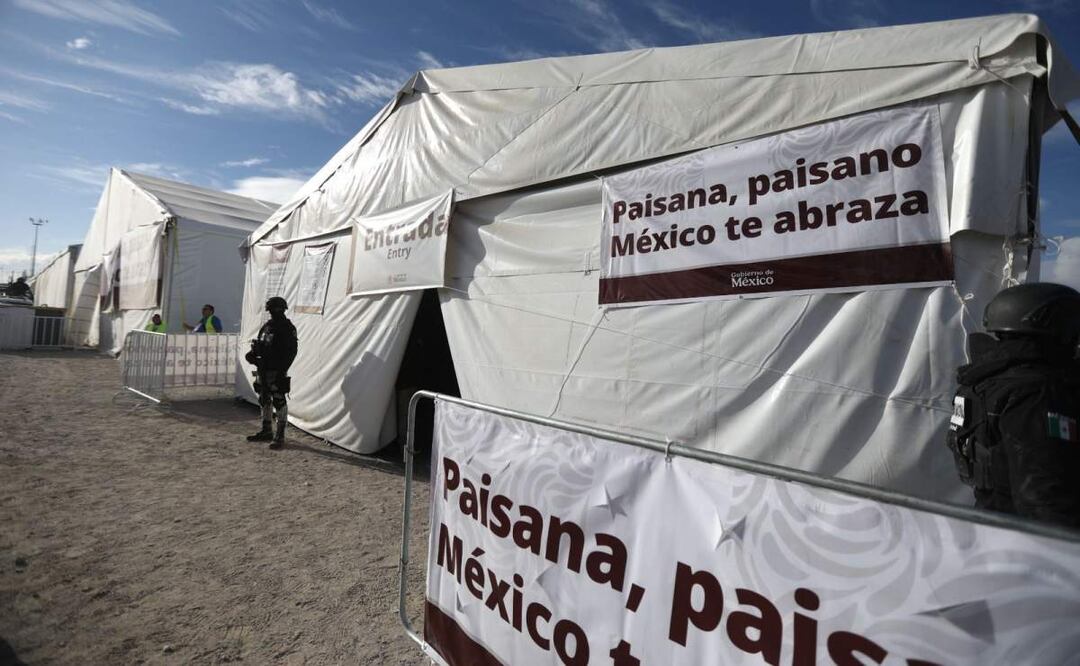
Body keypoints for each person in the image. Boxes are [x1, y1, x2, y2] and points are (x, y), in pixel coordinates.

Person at [947, 282, 1080, 529]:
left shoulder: (981, 383)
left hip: (993, 525)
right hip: (1038, 543)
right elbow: (1044, 496)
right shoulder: (1036, 392)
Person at [245, 296, 298, 449]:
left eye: (276, 309)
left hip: (277, 369)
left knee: (279, 399)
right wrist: (253, 355)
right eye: (272, 310)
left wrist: (282, 371)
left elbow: (291, 352)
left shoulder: (287, 328)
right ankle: (266, 430)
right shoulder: (267, 326)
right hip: (263, 368)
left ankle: (280, 435)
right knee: (264, 397)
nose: (274, 312)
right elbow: (261, 344)